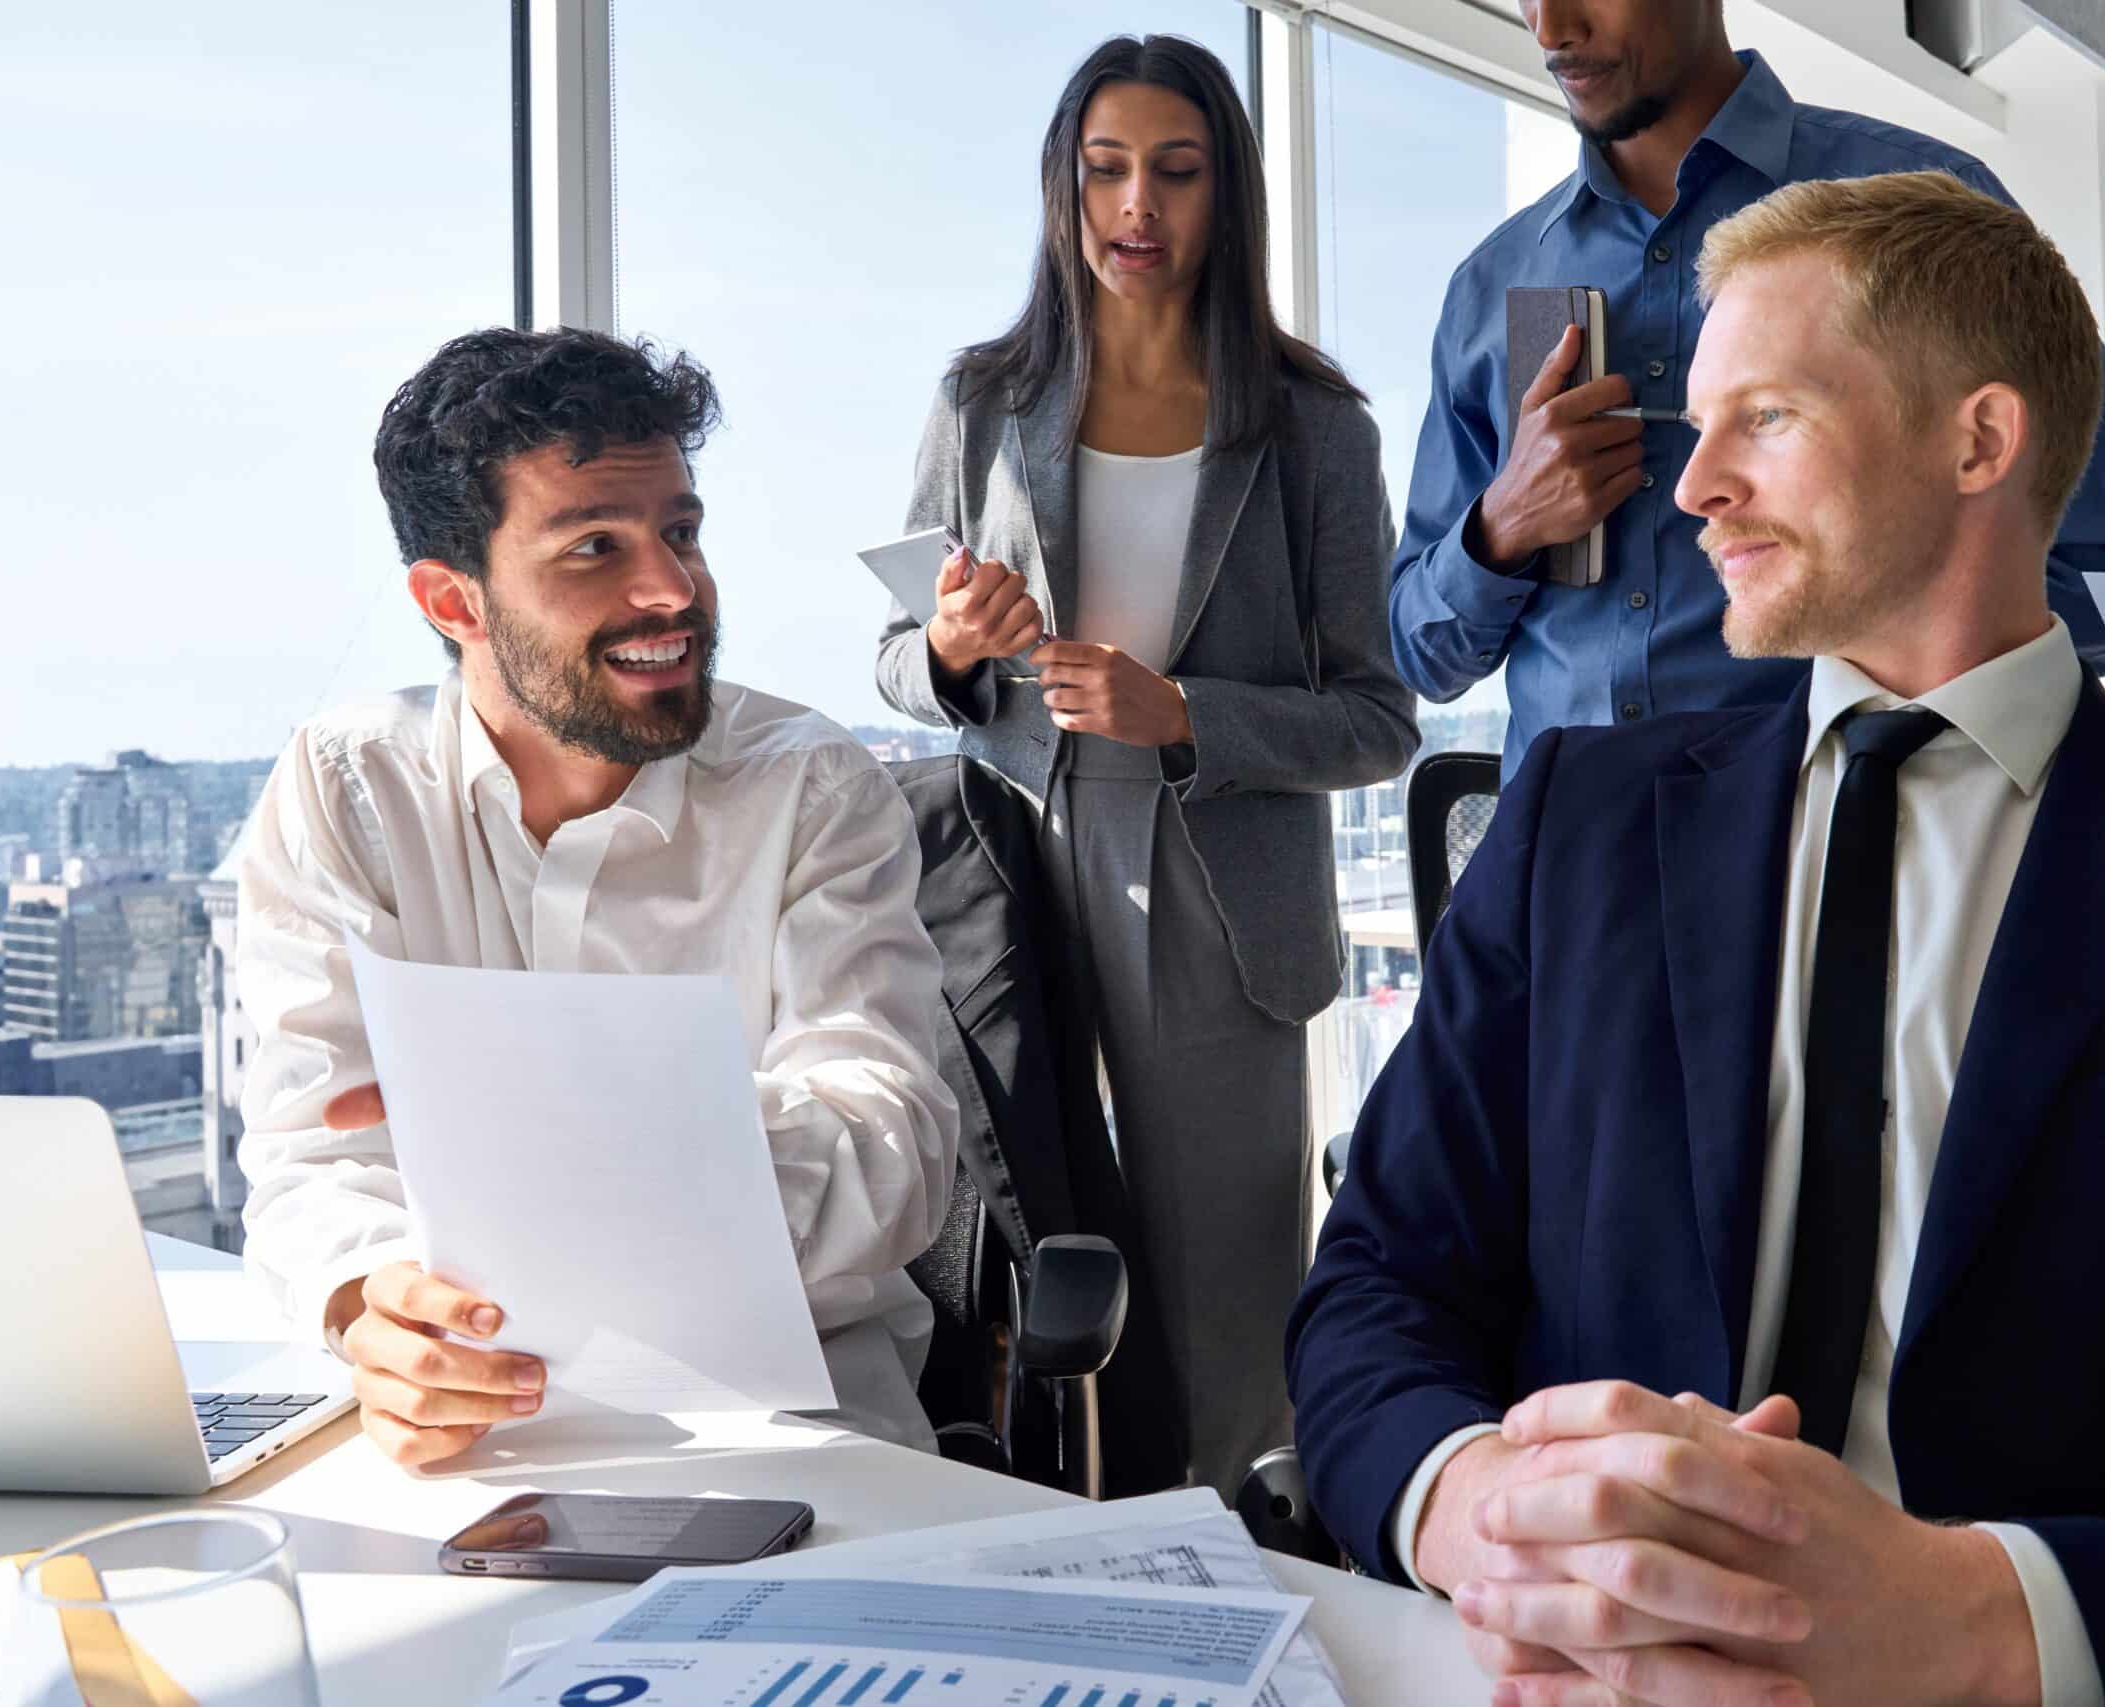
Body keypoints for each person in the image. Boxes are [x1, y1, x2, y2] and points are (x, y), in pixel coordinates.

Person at [1288, 171, 2105, 1706]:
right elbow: (1374, 1287)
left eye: (1766, 418)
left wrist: (1990, 1618)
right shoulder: (1572, 825)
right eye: (1699, 425)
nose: (1692, 486)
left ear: (1979, 441)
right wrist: (1485, 1510)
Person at [237, 328, 959, 1470]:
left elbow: (891, 1151)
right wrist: (375, 1306)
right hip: (462, 1425)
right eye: (593, 548)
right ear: (453, 600)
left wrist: (550, 1117)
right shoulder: (348, 786)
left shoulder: (812, 786)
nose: (672, 589)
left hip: (787, 1429)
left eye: (681, 532)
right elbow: (307, 1160)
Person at [875, 36, 1416, 1502]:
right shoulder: (982, 402)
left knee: (1226, 1271)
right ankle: (1044, 1527)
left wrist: (1181, 713)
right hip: (1016, 861)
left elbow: (1378, 717)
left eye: (1176, 172)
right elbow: (898, 661)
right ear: (1063, 189)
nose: (1137, 206)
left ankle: (1237, 1530)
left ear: (1226, 193)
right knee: (1015, 1238)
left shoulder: (1313, 428)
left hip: (1219, 875)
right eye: (1105, 169)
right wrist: (949, 647)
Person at [1390, 0, 2105, 781]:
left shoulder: (1922, 211)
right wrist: (1501, 529)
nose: (1551, 26)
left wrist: (1887, 622)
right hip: (1561, 848)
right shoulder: (1490, 287)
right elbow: (1422, 657)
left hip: (1856, 839)